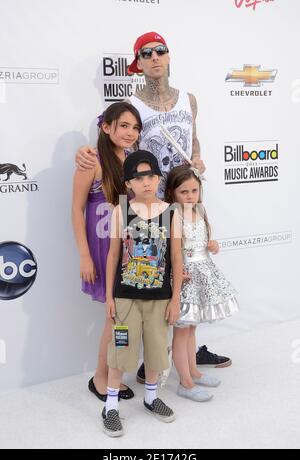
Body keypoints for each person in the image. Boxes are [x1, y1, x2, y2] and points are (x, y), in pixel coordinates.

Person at [75, 32, 232, 383]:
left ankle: (189, 347)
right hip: (149, 210)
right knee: (158, 280)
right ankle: (154, 360)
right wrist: (83, 154)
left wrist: (196, 158)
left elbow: (193, 140)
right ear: (138, 63)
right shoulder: (132, 102)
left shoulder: (189, 100)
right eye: (146, 53)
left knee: (190, 273)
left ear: (169, 56)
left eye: (160, 51)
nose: (155, 57)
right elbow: (109, 136)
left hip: (186, 199)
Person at [103, 150, 183, 437]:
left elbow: (176, 257)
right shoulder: (120, 210)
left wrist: (175, 299)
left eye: (151, 175)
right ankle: (110, 406)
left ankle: (150, 397)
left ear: (158, 178)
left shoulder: (171, 212)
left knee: (156, 349)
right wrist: (109, 297)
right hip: (126, 297)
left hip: (160, 298)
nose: (146, 181)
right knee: (121, 349)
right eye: (139, 177)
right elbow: (113, 256)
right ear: (129, 183)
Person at [72, 102, 142, 402]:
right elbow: (76, 210)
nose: (130, 132)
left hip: (129, 247)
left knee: (123, 318)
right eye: (123, 125)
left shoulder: (133, 160)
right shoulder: (93, 160)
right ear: (106, 127)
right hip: (103, 249)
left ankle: (113, 373)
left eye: (135, 127)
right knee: (114, 318)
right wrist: (85, 256)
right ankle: (101, 378)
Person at [165, 165, 239, 401]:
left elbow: (205, 239)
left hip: (203, 271)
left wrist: (212, 245)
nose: (190, 196)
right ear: (173, 193)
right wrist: (179, 274)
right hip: (186, 276)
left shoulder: (201, 210)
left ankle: (194, 372)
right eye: (183, 192)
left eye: (194, 191)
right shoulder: (173, 214)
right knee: (181, 331)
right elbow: (174, 251)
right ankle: (184, 383)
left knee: (192, 327)